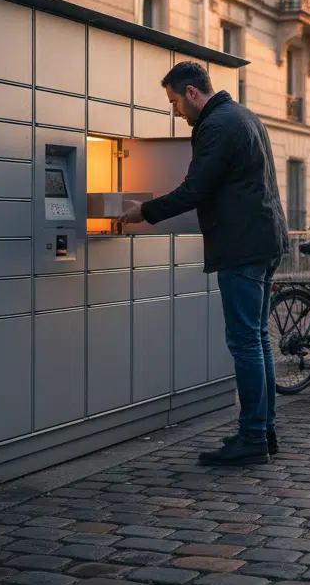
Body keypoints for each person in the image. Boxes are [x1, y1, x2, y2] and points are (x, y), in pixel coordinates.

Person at [116, 61, 288, 466]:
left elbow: (195, 189)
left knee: (246, 341)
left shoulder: (216, 125)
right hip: (266, 240)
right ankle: (264, 430)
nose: (176, 112)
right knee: (258, 339)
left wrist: (146, 211)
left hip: (242, 246)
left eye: (175, 102)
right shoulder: (245, 117)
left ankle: (251, 439)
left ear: (192, 93)